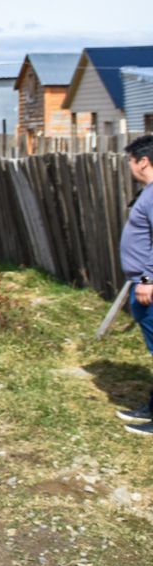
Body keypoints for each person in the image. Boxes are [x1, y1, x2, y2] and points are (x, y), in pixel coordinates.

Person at [118, 134, 153, 435]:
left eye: (130, 160)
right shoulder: (148, 193)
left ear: (143, 161)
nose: (129, 166)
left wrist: (146, 279)